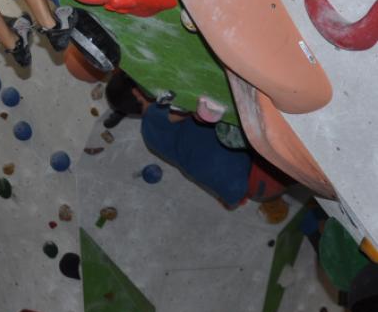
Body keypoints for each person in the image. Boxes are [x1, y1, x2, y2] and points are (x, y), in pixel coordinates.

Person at [104, 70, 292, 209]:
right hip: (258, 171)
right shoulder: (155, 113)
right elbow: (189, 105)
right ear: (137, 92)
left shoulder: (148, 136)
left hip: (247, 188)